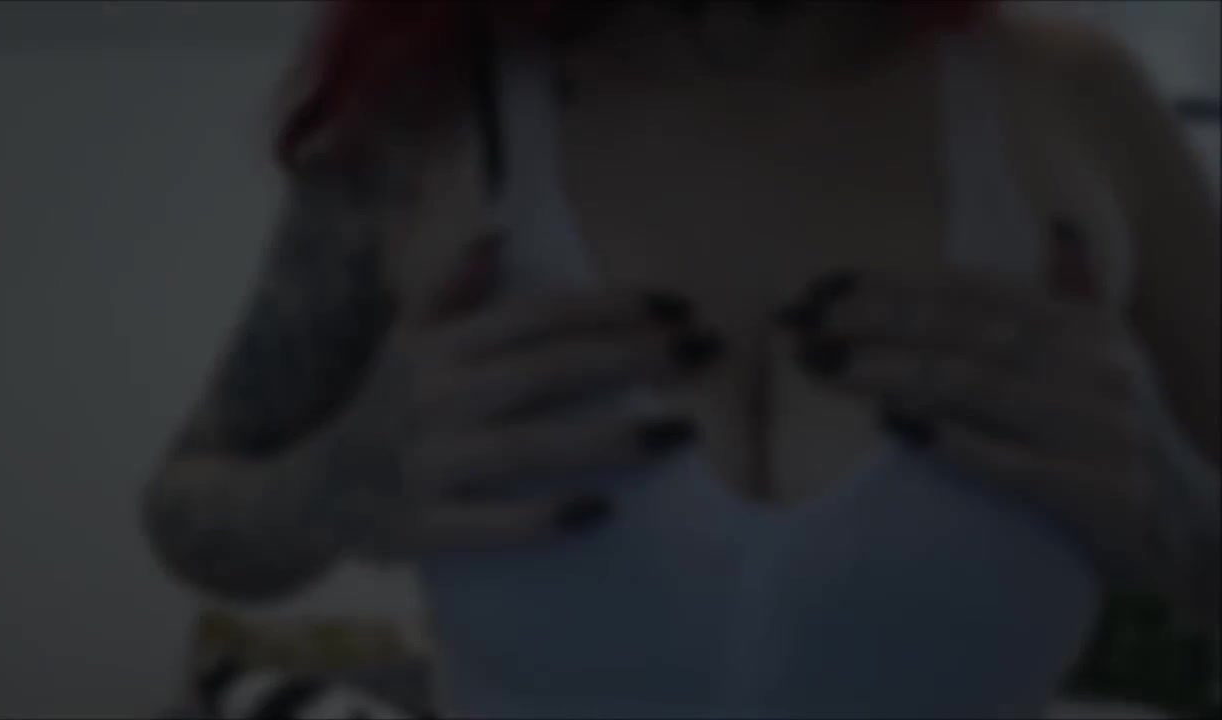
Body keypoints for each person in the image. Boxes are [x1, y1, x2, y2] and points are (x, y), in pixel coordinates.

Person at [143, 0, 1220, 715]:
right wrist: (339, 479)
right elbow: (190, 510)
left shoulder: (1074, 104)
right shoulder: (432, 119)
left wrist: (1166, 503)